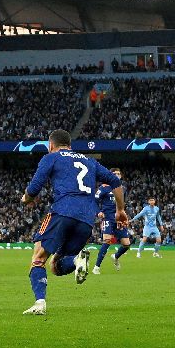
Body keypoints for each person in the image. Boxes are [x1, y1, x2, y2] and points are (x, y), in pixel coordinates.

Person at [20, 129, 127, 316]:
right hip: (86, 219)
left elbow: (34, 188)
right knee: (57, 266)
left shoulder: (51, 157)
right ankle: (77, 259)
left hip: (62, 211)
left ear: (50, 145)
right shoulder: (89, 161)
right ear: (70, 145)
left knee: (38, 258)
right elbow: (114, 182)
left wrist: (26, 200)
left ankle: (40, 302)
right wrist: (120, 210)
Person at [93, 168, 132, 274]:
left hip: (119, 219)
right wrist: (98, 212)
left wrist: (124, 217)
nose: (117, 175)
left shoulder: (122, 189)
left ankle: (115, 256)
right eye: (115, 174)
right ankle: (97, 267)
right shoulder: (104, 188)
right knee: (107, 241)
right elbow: (94, 201)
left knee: (126, 244)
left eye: (119, 174)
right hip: (108, 218)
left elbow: (122, 205)